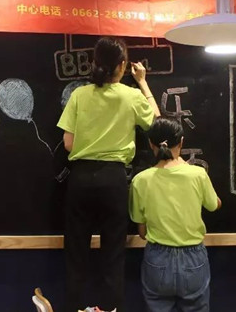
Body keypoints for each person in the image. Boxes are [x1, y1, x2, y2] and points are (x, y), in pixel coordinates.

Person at [58, 36, 161, 312]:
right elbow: (158, 124)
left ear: (94, 62)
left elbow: (68, 143)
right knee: (113, 254)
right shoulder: (131, 96)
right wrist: (142, 82)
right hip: (113, 179)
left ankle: (73, 307)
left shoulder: (79, 95)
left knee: (76, 252)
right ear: (123, 65)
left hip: (80, 178)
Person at [129, 117, 221, 312]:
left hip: (157, 258)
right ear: (181, 142)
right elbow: (214, 205)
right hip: (193, 258)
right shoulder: (197, 174)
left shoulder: (140, 180)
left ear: (151, 144)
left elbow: (142, 232)